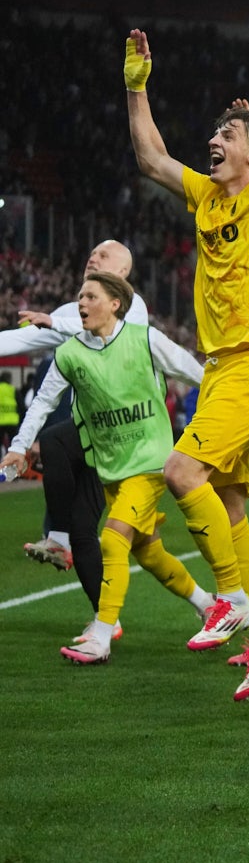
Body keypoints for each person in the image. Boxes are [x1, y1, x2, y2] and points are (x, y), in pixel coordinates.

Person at [126, 0, 249, 697]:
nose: (214, 141)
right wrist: (136, 86)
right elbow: (149, 158)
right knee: (229, 506)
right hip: (225, 365)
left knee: (180, 473)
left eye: (227, 135)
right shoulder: (208, 196)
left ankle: (230, 598)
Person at [2, 274, 213, 675]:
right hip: (113, 468)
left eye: (90, 296)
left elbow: (197, 374)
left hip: (151, 462)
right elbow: (45, 402)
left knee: (112, 538)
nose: (81, 302)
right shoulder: (70, 354)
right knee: (148, 552)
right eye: (79, 295)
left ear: (116, 303)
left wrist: (233, 410)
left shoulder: (145, 339)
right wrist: (17, 446)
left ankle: (102, 631)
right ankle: (207, 604)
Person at [2, 241, 151, 600]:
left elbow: (109, 332)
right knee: (88, 531)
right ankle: (102, 613)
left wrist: (54, 321)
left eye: (104, 255)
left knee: (144, 544)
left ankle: (58, 536)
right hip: (93, 432)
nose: (93, 256)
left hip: (131, 434)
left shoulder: (133, 307)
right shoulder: (73, 312)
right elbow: (21, 339)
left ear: (121, 274)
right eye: (92, 253)